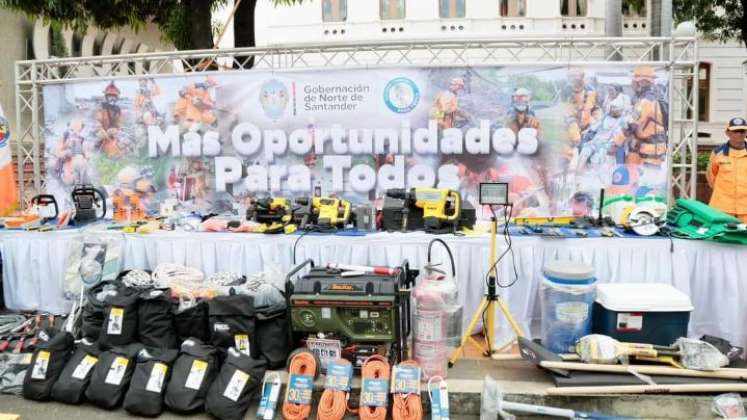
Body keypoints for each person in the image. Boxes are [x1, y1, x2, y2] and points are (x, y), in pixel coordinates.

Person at [707, 117, 747, 222]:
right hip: (722, 209)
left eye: (742, 131)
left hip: (746, 210)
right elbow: (711, 177)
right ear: (728, 133)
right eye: (735, 131)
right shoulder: (717, 153)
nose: (739, 134)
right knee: (721, 237)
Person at [627, 65, 666, 167]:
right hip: (650, 148)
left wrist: (615, 144)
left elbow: (631, 125)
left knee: (649, 180)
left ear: (642, 82)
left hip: (649, 151)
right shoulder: (649, 98)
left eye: (634, 81)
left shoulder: (646, 101)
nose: (632, 84)